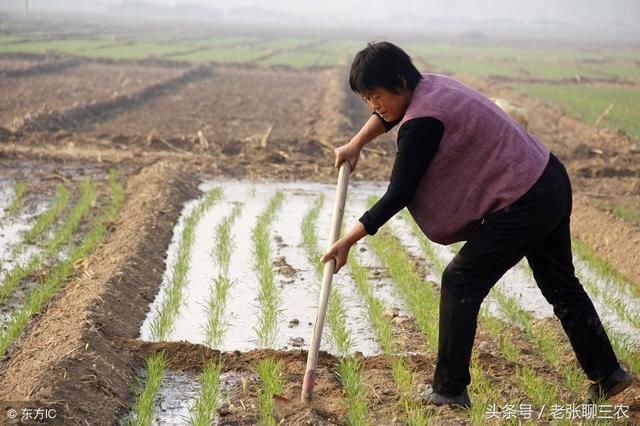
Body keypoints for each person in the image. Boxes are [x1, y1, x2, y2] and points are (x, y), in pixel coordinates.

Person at [320, 41, 633, 408]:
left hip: (525, 199)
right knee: (560, 284)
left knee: (461, 280)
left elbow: (398, 194)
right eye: (366, 100)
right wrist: (356, 144)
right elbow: (390, 115)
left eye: (376, 96)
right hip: (547, 177)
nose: (374, 107)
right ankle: (609, 374)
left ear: (401, 83)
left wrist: (347, 240)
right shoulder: (433, 85)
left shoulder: (421, 121)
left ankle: (449, 390)